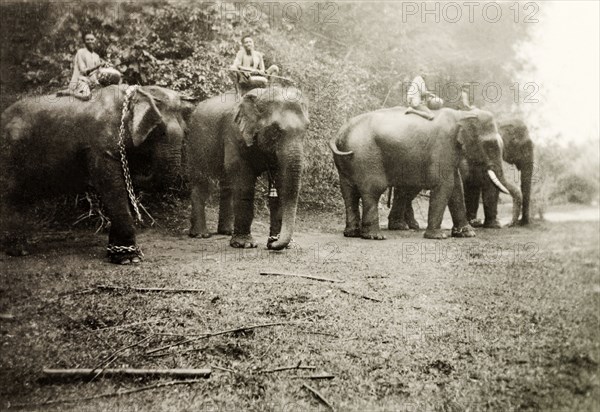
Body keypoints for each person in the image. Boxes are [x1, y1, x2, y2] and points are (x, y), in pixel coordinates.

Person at [62, 31, 121, 100]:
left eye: (92, 39)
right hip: (82, 80)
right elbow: (84, 71)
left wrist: (106, 66)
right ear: (84, 41)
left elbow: (98, 72)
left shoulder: (96, 56)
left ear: (95, 40)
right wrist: (97, 66)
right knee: (86, 96)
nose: (90, 41)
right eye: (88, 40)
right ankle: (71, 93)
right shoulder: (81, 52)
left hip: (94, 82)